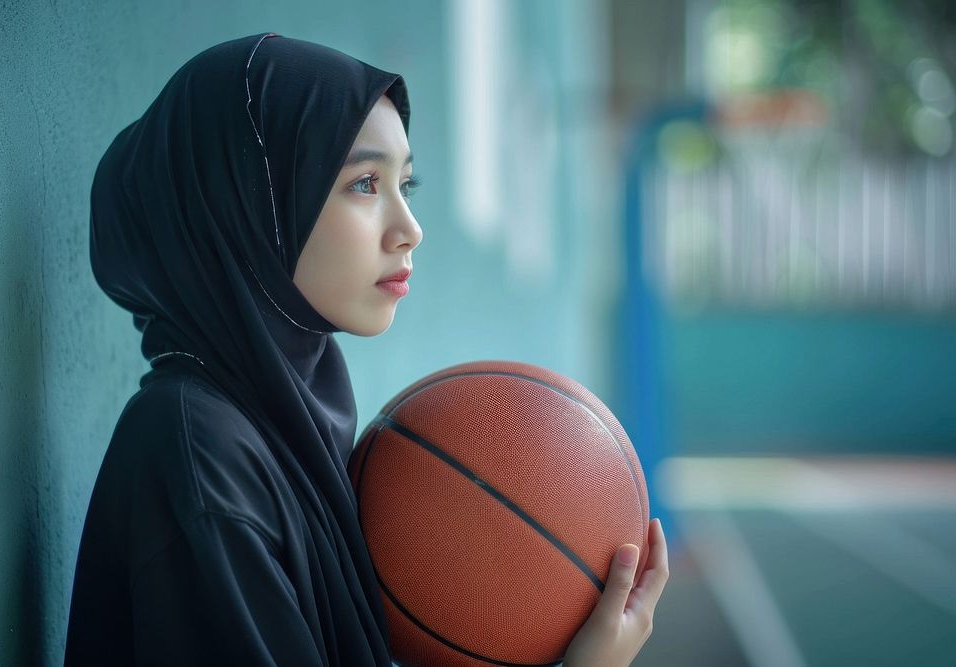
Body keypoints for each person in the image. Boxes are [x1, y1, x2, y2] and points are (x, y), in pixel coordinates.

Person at [64, 32, 669, 666]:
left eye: (405, 185)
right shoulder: (201, 455)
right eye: (363, 184)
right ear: (249, 203)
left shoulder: (279, 421)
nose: (409, 229)